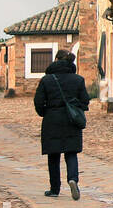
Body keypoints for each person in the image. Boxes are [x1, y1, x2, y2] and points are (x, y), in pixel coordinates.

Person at [33, 49, 90, 199]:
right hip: (71, 119)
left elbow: (38, 102)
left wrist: (45, 112)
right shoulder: (78, 80)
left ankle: (54, 188)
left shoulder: (47, 79)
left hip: (52, 118)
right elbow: (85, 100)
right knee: (71, 152)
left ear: (56, 60)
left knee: (53, 155)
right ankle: (72, 179)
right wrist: (76, 107)